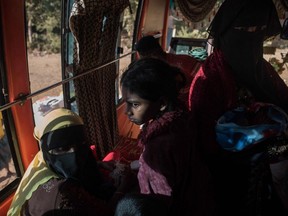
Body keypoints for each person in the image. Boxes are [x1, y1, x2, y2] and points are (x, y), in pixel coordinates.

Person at [188, 0, 288, 215]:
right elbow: (204, 145)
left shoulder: (263, 70)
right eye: (244, 30)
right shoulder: (208, 80)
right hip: (230, 180)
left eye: (259, 31)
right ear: (227, 31)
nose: (251, 37)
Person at [120, 58, 215, 216]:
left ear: (162, 103)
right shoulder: (182, 118)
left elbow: (157, 204)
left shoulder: (157, 148)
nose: (127, 112)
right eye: (126, 103)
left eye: (135, 104)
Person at [7, 108, 134, 216]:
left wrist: (98, 164)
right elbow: (106, 213)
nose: (74, 155)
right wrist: (124, 187)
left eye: (81, 145)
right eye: (63, 148)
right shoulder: (62, 194)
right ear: (46, 150)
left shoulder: (41, 162)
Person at [135, 35, 202, 108]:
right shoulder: (152, 74)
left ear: (154, 54)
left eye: (145, 59)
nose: (145, 63)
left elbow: (208, 80)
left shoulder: (185, 62)